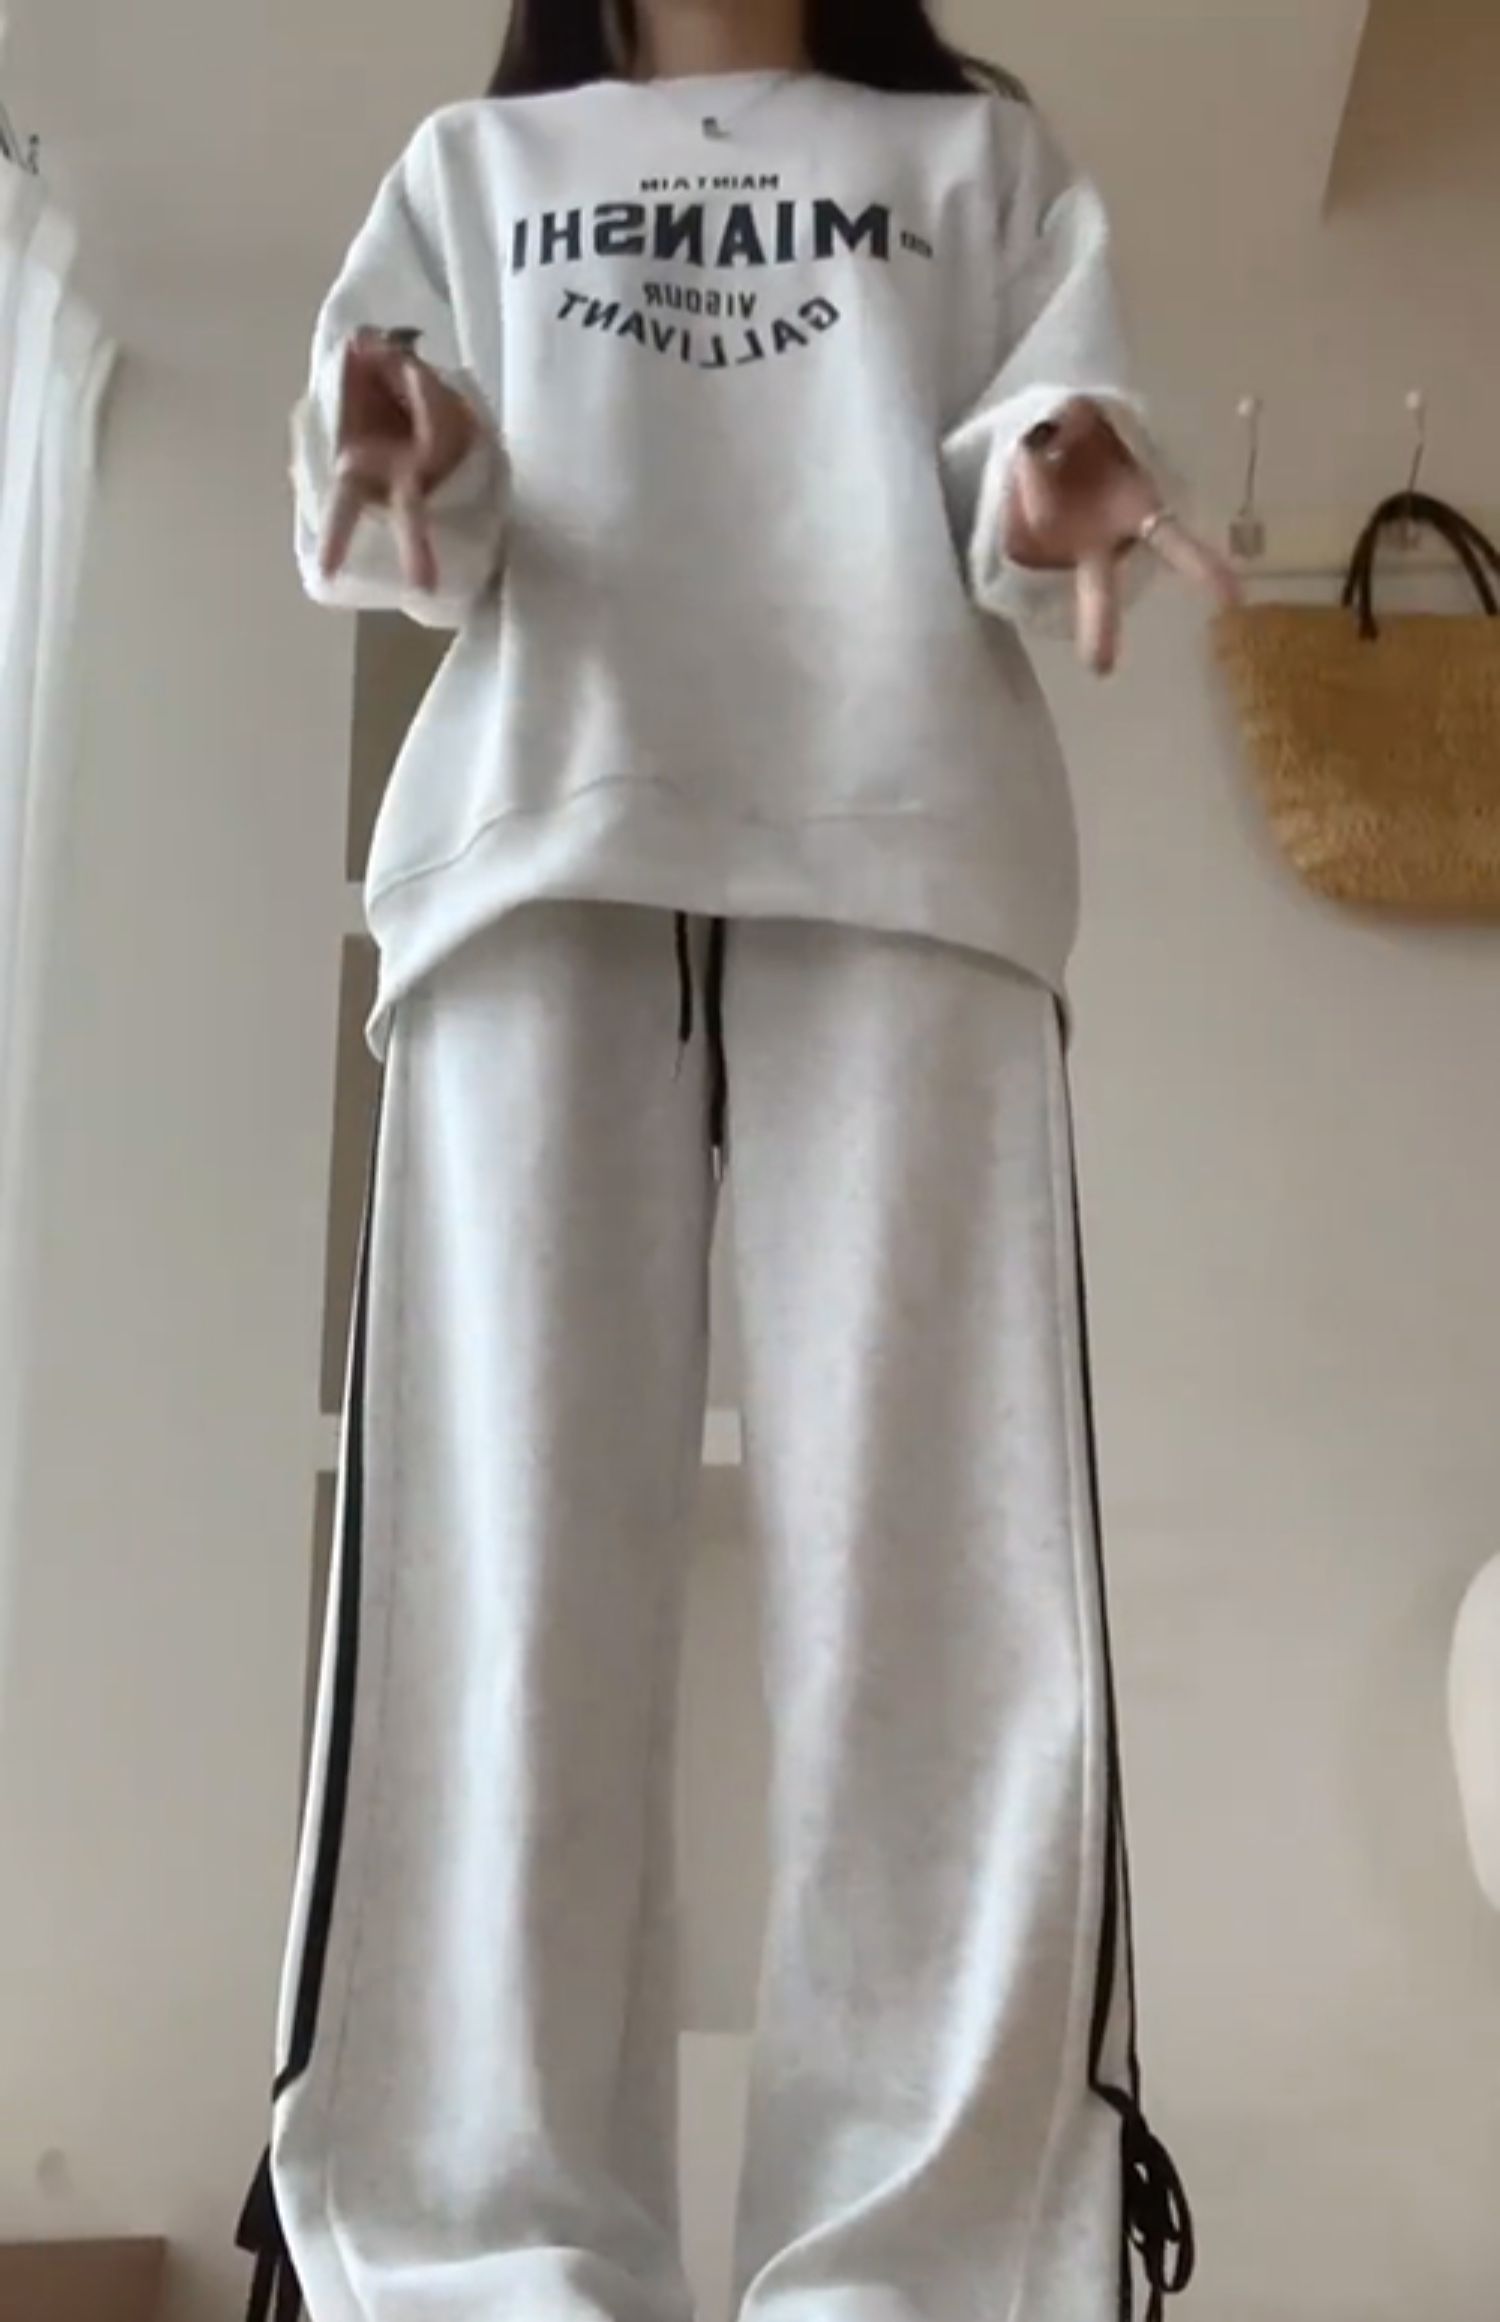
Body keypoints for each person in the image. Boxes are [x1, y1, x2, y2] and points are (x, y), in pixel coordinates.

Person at [240, 4, 1235, 2319]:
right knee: (496, 1575)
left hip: (910, 846)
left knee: (942, 1581)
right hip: (534, 843)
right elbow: (393, 498)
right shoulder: (477, 167)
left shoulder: (969, 156)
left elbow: (1039, 446)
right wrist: (400, 445)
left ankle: (932, 2265)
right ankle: (481, 2259)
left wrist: (1054, 476)